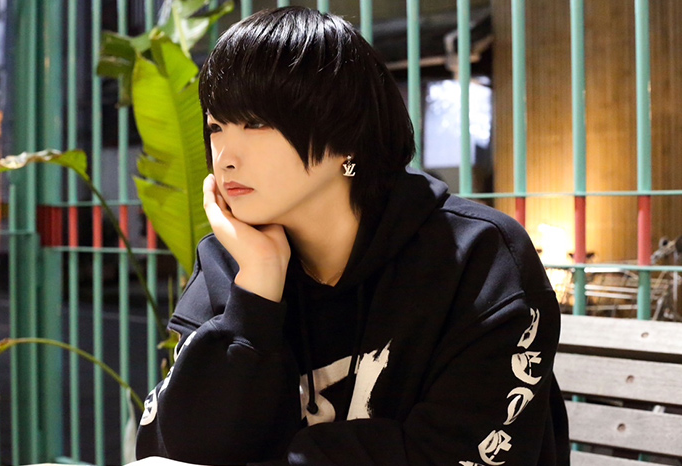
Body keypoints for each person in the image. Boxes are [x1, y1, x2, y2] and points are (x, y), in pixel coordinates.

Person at [134, 6, 569, 465]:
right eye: (216, 126)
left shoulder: (477, 258)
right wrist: (257, 290)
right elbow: (172, 450)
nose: (225, 156)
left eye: (256, 123)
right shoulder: (235, 259)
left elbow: (454, 453)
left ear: (346, 136)